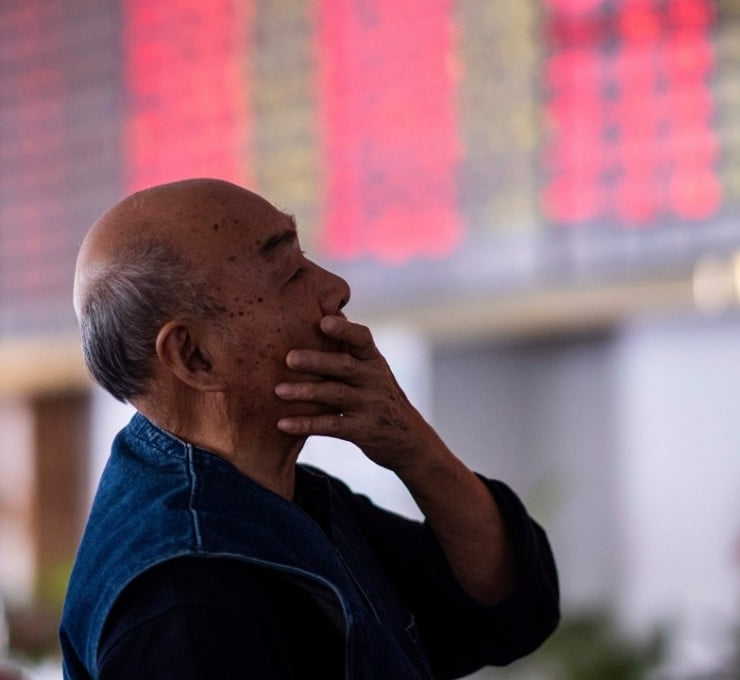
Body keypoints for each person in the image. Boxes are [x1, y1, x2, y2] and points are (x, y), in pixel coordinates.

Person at [59, 179, 559, 679]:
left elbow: (508, 612)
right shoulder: (182, 598)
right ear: (195, 356)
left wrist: (415, 449)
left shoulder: (273, 499)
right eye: (291, 272)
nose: (337, 289)